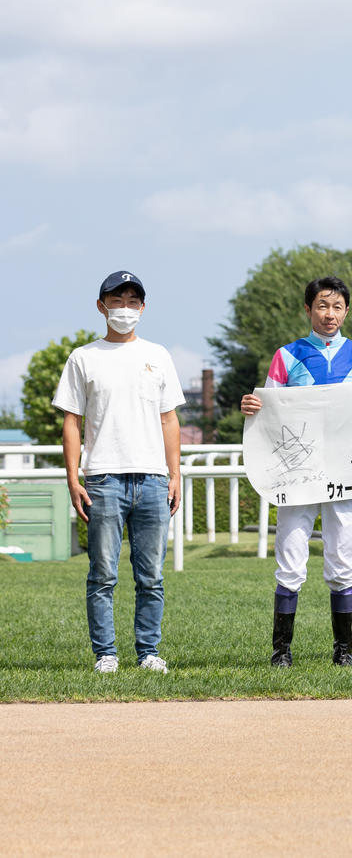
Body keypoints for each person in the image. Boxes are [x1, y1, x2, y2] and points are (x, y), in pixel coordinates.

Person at [240, 276, 352, 667]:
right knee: (291, 559)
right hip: (297, 475)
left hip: (347, 475)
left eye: (336, 307)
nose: (329, 314)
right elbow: (267, 409)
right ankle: (281, 652)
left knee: (343, 559)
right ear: (308, 309)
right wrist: (252, 406)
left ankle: (343, 651)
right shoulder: (286, 356)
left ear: (346, 311)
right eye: (321, 306)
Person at [53, 271, 184, 674]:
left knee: (151, 576)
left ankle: (148, 653)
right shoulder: (84, 358)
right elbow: (72, 422)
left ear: (142, 308)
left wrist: (174, 474)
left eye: (132, 301)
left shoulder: (158, 355)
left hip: (152, 478)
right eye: (117, 300)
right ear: (101, 306)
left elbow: (169, 419)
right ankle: (105, 654)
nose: (124, 309)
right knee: (103, 574)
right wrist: (74, 478)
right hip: (103, 477)